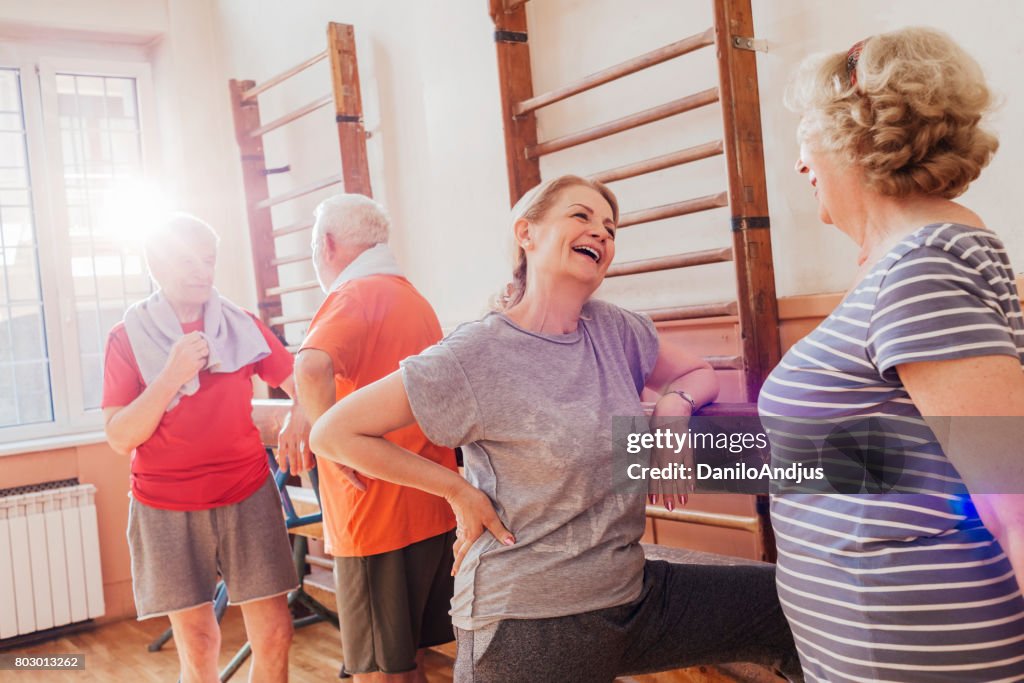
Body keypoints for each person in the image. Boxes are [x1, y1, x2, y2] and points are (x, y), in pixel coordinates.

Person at [307, 175, 801, 682]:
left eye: (611, 227)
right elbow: (333, 432)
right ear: (527, 233)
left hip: (630, 596)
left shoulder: (616, 330)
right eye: (582, 216)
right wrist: (456, 491)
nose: (602, 233)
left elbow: (697, 373)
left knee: (792, 609)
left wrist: (672, 412)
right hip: (528, 622)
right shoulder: (478, 353)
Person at [760, 27, 1024, 682]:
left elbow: (1014, 497)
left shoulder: (924, 263)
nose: (800, 164)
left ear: (854, 132)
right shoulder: (907, 262)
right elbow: (889, 458)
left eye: (805, 135)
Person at [102, 214, 310, 683]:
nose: (202, 270)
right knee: (198, 644)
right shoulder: (126, 337)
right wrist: (172, 374)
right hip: (165, 504)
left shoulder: (242, 325)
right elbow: (120, 436)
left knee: (276, 633)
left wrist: (302, 408)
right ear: (155, 265)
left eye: (209, 260)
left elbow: (300, 379)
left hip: (247, 493)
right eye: (187, 261)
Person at [291, 194, 457, 683]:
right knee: (411, 660)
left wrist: (327, 443)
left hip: (373, 515)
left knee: (379, 674)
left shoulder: (352, 296)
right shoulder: (412, 299)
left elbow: (310, 363)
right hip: (426, 506)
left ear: (327, 244)